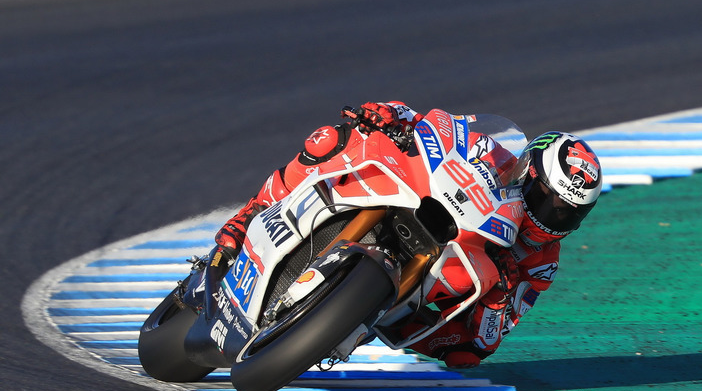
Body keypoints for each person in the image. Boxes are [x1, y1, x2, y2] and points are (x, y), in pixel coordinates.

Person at [212, 101, 602, 369]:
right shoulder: (494, 154)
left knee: (463, 354)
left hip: (428, 288)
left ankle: (350, 319)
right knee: (335, 139)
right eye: (548, 199)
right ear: (527, 173)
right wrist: (394, 117)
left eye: (568, 212)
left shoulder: (541, 261)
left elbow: (483, 344)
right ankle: (253, 212)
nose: (553, 216)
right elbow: (438, 127)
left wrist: (496, 305)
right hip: (422, 202)